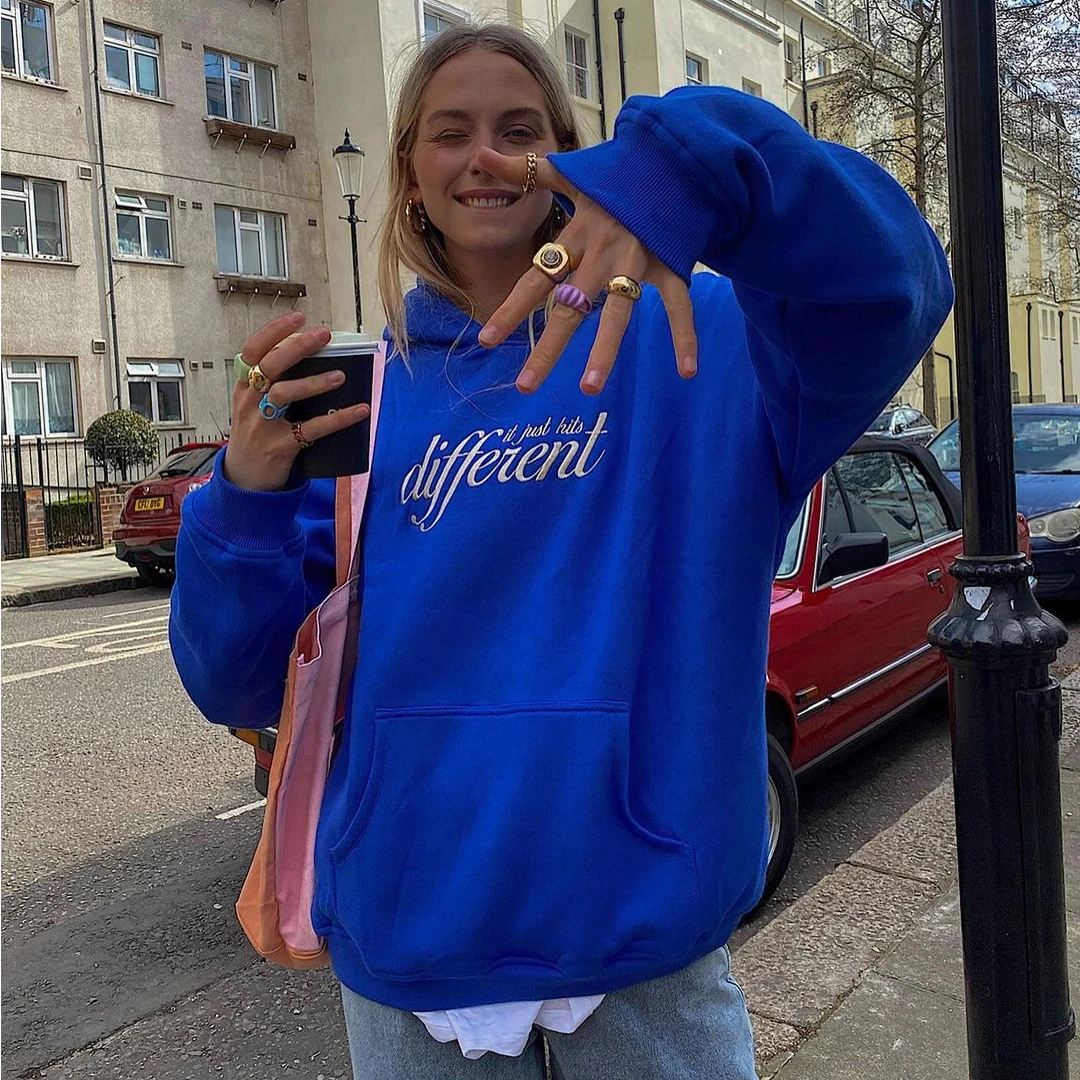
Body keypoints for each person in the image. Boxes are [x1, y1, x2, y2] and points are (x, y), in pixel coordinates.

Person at [170, 21, 952, 1080]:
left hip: (644, 959)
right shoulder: (368, 393)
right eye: (451, 132)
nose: (486, 157)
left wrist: (685, 170)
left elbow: (898, 282)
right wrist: (244, 500)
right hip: (412, 959)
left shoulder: (710, 335)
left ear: (572, 161)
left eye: (520, 130)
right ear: (408, 171)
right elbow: (239, 682)